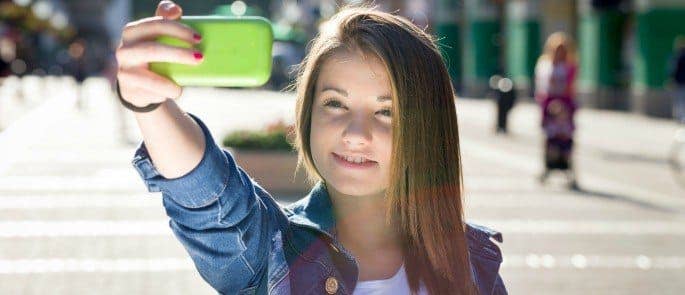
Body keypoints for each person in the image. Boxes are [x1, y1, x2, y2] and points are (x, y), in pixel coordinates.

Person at [116, 1, 507, 294]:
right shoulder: (273, 255)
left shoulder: (475, 265)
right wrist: (150, 105)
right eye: (335, 103)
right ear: (307, 113)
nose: (356, 133)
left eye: (386, 112)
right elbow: (207, 200)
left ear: (426, 126)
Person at [535, 32, 579, 189]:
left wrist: (561, 106)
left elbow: (569, 87)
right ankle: (547, 166)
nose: (560, 52)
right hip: (548, 104)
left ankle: (568, 170)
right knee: (549, 138)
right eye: (557, 49)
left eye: (563, 49)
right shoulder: (544, 64)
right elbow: (541, 86)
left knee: (565, 139)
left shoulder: (569, 67)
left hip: (564, 105)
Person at [669, 36, 685, 123]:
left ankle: (680, 117)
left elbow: (674, 69)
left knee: (679, 99)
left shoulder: (677, 57)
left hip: (679, 81)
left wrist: (671, 80)